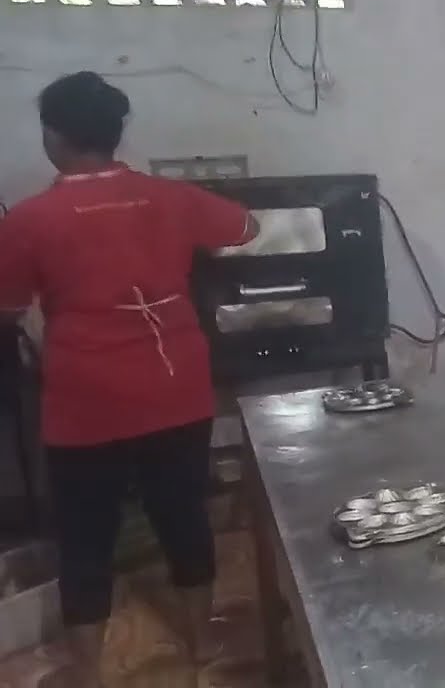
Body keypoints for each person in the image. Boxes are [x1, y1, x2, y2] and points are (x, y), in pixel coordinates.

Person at [0, 72, 258, 687]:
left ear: (53, 136)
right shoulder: (170, 198)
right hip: (176, 388)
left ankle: (87, 672)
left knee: (86, 538)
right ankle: (200, 646)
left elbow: (6, 311)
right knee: (184, 517)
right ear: (115, 134)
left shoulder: (29, 220)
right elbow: (245, 228)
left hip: (86, 404)